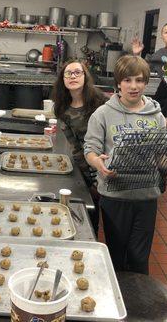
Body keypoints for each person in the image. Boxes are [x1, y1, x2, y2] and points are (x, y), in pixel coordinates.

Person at [84, 55, 166, 275]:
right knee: (116, 256)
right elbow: (90, 149)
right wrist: (98, 164)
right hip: (115, 195)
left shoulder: (156, 116)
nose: (133, 86)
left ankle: (139, 304)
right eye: (127, 80)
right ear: (118, 82)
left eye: (139, 80)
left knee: (140, 258)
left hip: (146, 195)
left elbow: (159, 155)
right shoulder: (102, 114)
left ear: (146, 83)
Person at [52, 59, 106, 234]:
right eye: (68, 73)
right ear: (63, 79)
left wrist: (99, 174)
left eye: (77, 72)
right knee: (91, 211)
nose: (72, 76)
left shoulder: (100, 101)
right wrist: (88, 178)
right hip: (86, 163)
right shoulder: (61, 108)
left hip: (106, 161)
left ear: (85, 76)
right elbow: (74, 145)